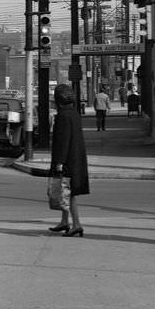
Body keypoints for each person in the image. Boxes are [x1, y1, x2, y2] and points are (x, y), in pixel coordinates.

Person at [49, 83, 89, 237]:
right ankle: (64, 221)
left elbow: (63, 141)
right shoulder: (74, 114)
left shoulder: (62, 117)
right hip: (76, 157)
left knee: (68, 193)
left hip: (66, 160)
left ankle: (76, 224)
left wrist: (59, 162)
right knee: (67, 192)